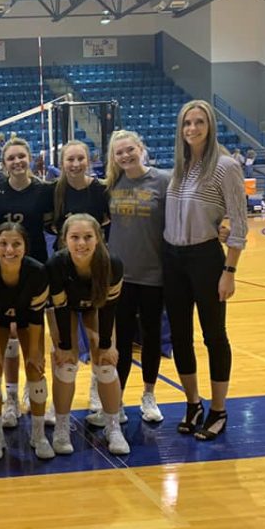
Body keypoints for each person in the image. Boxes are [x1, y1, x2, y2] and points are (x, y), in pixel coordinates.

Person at [164, 100, 247, 441]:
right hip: (173, 258)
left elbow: (239, 223)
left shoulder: (225, 166)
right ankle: (193, 403)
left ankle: (218, 408)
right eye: (187, 123)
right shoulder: (180, 167)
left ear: (210, 126)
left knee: (214, 335)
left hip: (205, 259)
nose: (193, 128)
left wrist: (229, 270)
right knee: (180, 335)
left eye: (199, 122)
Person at [46, 214, 128, 455]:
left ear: (99, 238)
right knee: (66, 363)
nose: (81, 243)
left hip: (97, 306)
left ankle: (113, 427)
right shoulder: (56, 265)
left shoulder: (112, 264)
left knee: (105, 363)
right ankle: (62, 426)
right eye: (74, 237)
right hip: (64, 308)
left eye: (88, 237)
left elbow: (109, 308)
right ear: (64, 240)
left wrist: (106, 345)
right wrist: (62, 346)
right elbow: (60, 309)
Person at [0, 137, 54, 428]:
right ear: (4, 163)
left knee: (33, 335)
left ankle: (35, 390)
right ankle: (10, 397)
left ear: (30, 159)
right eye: (11, 158)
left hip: (34, 270)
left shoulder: (44, 190)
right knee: (8, 336)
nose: (16, 162)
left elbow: (53, 223)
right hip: (2, 268)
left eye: (21, 157)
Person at [105, 130, 169, 424]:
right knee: (122, 340)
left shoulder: (162, 181)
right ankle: (116, 400)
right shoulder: (111, 184)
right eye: (119, 153)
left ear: (141, 148)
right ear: (114, 157)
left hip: (153, 274)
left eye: (130, 150)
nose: (126, 156)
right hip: (121, 277)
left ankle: (149, 394)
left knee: (152, 338)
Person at [0, 222, 53, 461]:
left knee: (35, 368)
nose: (10, 249)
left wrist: (35, 352)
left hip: (28, 318)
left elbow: (37, 316)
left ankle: (38, 434)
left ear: (25, 247)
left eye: (16, 244)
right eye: (3, 244)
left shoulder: (38, 271)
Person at [52, 140, 110, 236]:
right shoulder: (52, 190)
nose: (76, 164)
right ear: (62, 163)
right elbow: (49, 225)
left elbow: (109, 222)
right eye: (70, 159)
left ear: (88, 161)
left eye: (81, 158)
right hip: (64, 248)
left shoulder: (102, 189)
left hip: (96, 248)